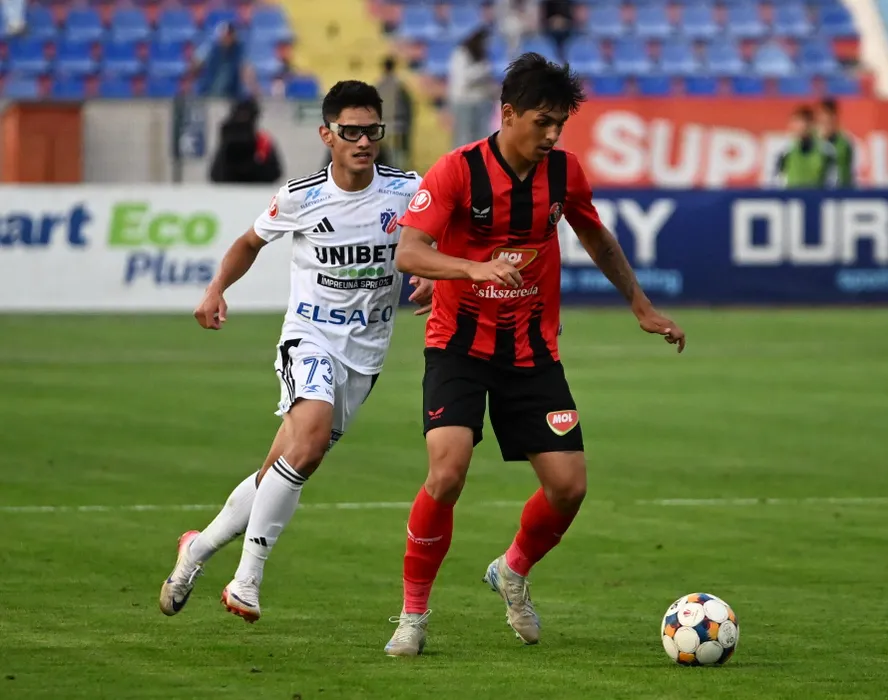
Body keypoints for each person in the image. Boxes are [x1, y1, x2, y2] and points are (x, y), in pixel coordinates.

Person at [382, 53, 686, 656]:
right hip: (459, 345)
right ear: (508, 113)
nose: (551, 135)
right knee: (447, 471)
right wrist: (470, 268)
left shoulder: (564, 173)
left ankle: (512, 570)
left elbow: (594, 234)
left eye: (560, 125)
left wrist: (640, 305)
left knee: (569, 487)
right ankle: (413, 615)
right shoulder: (457, 170)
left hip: (532, 350)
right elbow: (409, 253)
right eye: (542, 121)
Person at [159, 80, 434, 622]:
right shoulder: (301, 197)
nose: (363, 141)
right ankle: (247, 580)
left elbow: (437, 238)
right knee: (307, 446)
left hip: (366, 353)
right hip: (309, 337)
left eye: (372, 131)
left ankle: (196, 550)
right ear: (327, 135)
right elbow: (248, 242)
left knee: (281, 469)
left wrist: (434, 273)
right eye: (350, 131)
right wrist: (216, 289)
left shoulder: (408, 190)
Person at [209, 97, 283, 184]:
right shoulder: (228, 139)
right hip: (229, 187)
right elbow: (216, 175)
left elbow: (274, 173)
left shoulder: (262, 143)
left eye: (245, 116)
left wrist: (257, 164)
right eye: (240, 116)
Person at [448, 27, 495, 149]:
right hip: (463, 102)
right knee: (463, 137)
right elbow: (463, 80)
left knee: (481, 138)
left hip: (480, 101)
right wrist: (481, 71)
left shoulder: (482, 56)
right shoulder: (461, 54)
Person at [774, 105, 837, 188]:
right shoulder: (784, 150)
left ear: (812, 124)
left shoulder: (826, 150)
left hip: (818, 195)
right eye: (797, 122)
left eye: (805, 122)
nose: (801, 127)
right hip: (792, 194)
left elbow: (833, 180)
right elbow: (776, 179)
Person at [817, 98, 855, 188]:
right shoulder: (812, 141)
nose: (826, 125)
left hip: (839, 190)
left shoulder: (845, 143)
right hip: (817, 191)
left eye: (829, 120)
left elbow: (848, 171)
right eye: (823, 121)